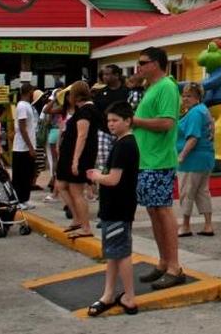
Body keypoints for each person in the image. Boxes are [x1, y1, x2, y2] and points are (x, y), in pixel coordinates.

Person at [132, 46, 187, 289]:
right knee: (154, 211)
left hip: (159, 160)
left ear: (156, 63)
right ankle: (163, 261)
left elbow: (166, 123)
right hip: (147, 160)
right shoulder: (152, 88)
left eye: (143, 62)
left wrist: (134, 121)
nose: (139, 67)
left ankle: (174, 266)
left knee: (163, 211)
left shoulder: (166, 87)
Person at [87, 102, 140, 316]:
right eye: (109, 121)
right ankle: (109, 294)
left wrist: (96, 176)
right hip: (116, 207)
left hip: (118, 206)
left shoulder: (124, 145)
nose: (111, 124)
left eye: (115, 120)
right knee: (113, 252)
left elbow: (113, 179)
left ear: (127, 121)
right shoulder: (123, 143)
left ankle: (129, 296)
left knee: (122, 253)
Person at [55, 81, 102, 240]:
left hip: (78, 155)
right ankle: (77, 219)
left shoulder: (86, 111)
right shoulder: (84, 110)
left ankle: (86, 226)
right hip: (71, 153)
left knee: (76, 191)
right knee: (61, 184)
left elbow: (82, 136)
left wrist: (75, 161)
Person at [177, 81, 215, 237]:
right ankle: (208, 225)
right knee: (202, 191)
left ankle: (185, 225)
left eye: (189, 96)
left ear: (198, 97)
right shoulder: (203, 110)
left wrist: (181, 156)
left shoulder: (194, 113)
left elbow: (193, 138)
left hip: (192, 160)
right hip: (206, 158)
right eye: (184, 95)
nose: (185, 99)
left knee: (187, 192)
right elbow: (211, 128)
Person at [12, 83, 41, 210]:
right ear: (29, 92)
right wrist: (30, 147)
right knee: (20, 175)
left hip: (29, 146)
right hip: (21, 147)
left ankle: (25, 198)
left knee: (28, 174)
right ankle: (18, 200)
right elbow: (22, 128)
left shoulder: (29, 105)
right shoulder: (22, 106)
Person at [42, 87, 69, 203]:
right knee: (57, 162)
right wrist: (55, 99)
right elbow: (46, 110)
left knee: (57, 162)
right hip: (59, 135)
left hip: (62, 135)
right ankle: (55, 189)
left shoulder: (66, 109)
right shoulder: (63, 108)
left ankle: (56, 189)